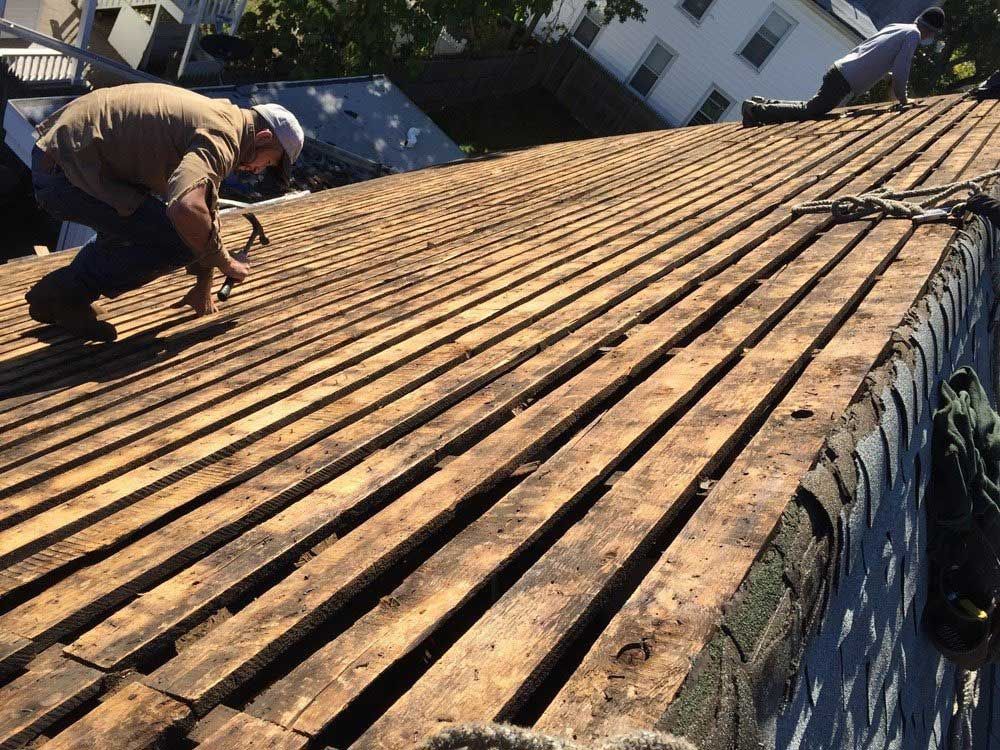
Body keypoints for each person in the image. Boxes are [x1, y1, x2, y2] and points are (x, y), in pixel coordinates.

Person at [25, 83, 305, 341]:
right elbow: (186, 208)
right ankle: (65, 295)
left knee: (143, 223)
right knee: (176, 239)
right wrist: (224, 261)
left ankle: (67, 292)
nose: (259, 170)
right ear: (264, 136)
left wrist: (204, 281)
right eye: (270, 162)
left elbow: (206, 206)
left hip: (72, 159)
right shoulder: (224, 137)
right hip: (66, 173)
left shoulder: (224, 119)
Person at [741, 7, 946, 127]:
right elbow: (903, 69)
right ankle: (756, 111)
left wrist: (884, 74)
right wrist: (904, 98)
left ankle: (761, 103)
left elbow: (872, 50)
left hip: (841, 71)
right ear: (929, 31)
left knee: (811, 106)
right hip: (844, 78)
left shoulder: (899, 27)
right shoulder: (913, 35)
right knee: (811, 111)